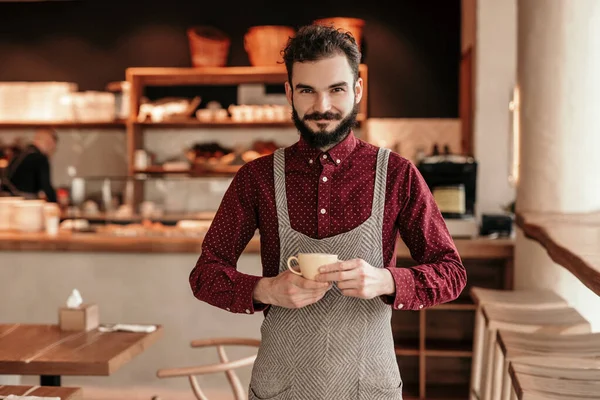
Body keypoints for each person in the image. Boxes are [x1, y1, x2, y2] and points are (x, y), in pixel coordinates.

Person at [189, 24, 467, 400]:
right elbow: (205, 274)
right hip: (280, 386)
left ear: (357, 89)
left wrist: (386, 282)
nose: (322, 107)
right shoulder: (255, 178)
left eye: (336, 89)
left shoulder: (398, 174)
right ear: (289, 93)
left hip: (369, 387)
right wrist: (265, 289)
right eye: (307, 90)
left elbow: (450, 272)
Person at [0, 127, 58, 202]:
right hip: (25, 203)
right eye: (53, 147)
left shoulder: (20, 153)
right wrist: (55, 203)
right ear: (49, 142)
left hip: (7, 201)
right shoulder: (40, 158)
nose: (52, 151)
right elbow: (46, 187)